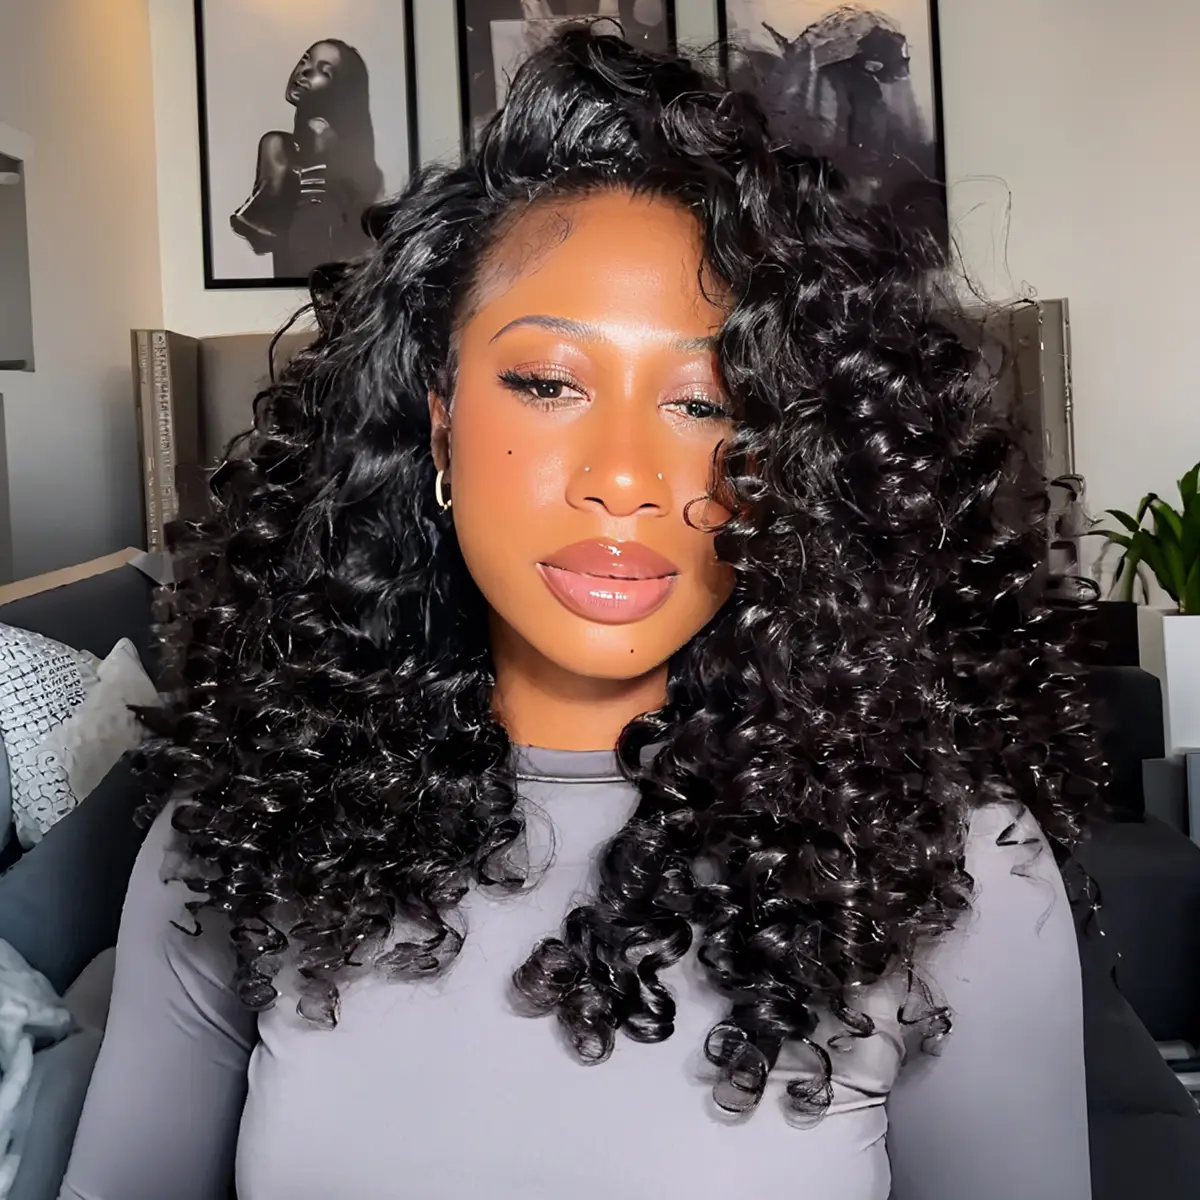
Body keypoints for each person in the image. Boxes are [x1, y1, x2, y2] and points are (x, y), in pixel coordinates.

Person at [62, 26, 1097, 1200]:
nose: (624, 479)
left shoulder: (950, 870)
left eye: (708, 404)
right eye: (549, 383)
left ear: (796, 461)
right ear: (440, 423)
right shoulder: (242, 840)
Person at [230, 38, 383, 281]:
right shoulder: (353, 161)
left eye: (325, 72)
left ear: (342, 92)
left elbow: (261, 233)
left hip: (313, 269)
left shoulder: (289, 143)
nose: (305, 71)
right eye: (305, 60)